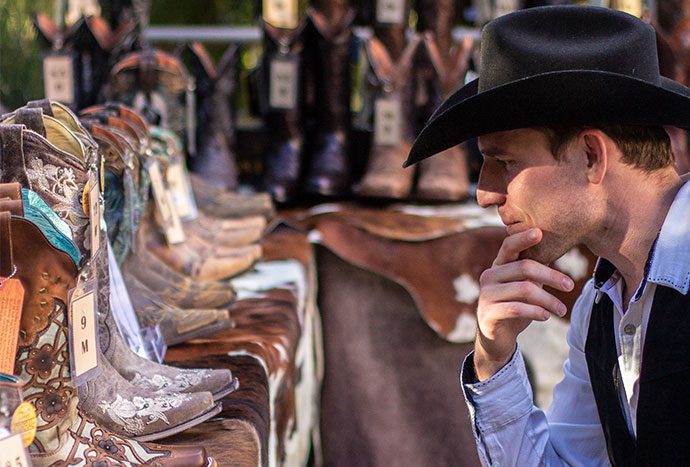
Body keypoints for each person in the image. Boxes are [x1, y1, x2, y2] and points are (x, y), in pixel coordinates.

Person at [404, 5, 690, 466]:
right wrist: (493, 360)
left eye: (506, 162)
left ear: (591, 157)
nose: (484, 193)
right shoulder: (601, 308)